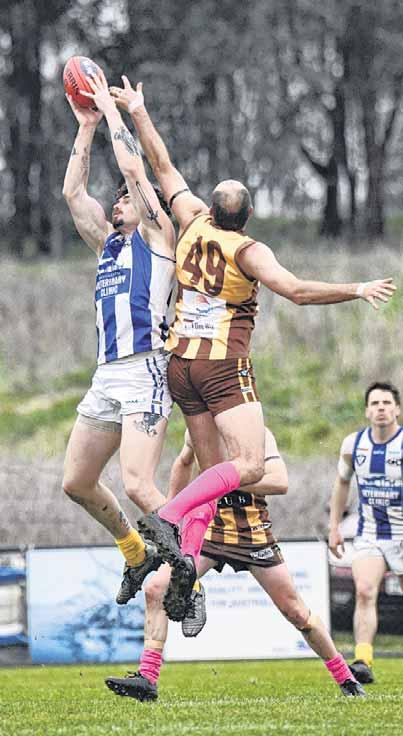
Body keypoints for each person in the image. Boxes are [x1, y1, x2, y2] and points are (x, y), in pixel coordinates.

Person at [110, 78, 396, 620]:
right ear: (246, 216)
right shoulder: (248, 251)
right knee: (246, 463)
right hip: (221, 367)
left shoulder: (192, 218)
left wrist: (140, 112)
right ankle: (168, 517)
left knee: (212, 476)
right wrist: (357, 289)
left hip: (181, 365)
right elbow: (297, 291)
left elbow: (162, 165)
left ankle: (186, 568)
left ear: (213, 207)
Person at [105, 428, 365, 700]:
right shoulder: (198, 430)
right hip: (208, 534)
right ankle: (147, 678)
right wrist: (172, 513)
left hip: (252, 536)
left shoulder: (258, 433)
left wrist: (223, 481)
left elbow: (280, 481)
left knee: (296, 612)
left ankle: (346, 679)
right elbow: (183, 463)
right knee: (156, 588)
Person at [62, 70, 175, 604]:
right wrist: (85, 125)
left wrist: (111, 110)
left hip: (146, 366)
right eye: (117, 201)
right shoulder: (108, 244)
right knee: (77, 481)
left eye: (125, 199)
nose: (117, 203)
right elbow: (72, 192)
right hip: (107, 374)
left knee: (138, 484)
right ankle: (135, 552)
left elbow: (133, 168)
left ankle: (190, 572)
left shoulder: (158, 236)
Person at [329, 381, 403, 684]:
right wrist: (334, 527)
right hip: (369, 533)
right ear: (367, 411)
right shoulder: (353, 444)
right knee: (364, 590)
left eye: (386, 403)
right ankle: (363, 661)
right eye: (375, 403)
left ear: (397, 410)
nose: (381, 408)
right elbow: (341, 483)